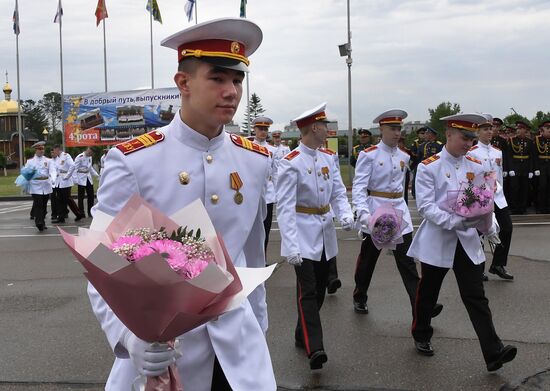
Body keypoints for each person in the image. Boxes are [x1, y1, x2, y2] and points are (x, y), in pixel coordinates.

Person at [87, 18, 276, 390]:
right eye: (218, 78)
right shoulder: (135, 161)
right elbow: (101, 260)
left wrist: (258, 327)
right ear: (183, 83)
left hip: (238, 349)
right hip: (162, 349)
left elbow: (252, 255)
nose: (231, 91)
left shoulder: (254, 160)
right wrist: (128, 339)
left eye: (237, 81)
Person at [408, 113, 517, 372]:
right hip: (438, 240)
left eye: (470, 138)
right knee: (428, 293)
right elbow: (425, 207)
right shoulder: (429, 166)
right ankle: (421, 333)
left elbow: (485, 198)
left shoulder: (477, 165)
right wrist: (453, 222)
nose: (468, 143)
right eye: (463, 137)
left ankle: (493, 352)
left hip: (467, 241)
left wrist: (490, 225)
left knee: (475, 295)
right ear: (448, 134)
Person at [277, 102, 354, 370]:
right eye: (325, 126)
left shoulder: (328, 159)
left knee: (320, 289)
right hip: (302, 231)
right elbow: (285, 207)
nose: (329, 130)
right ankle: (315, 348)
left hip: (324, 231)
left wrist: (345, 213)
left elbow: (338, 192)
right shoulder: (291, 163)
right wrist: (290, 244)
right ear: (314, 128)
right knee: (307, 292)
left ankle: (302, 332)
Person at [352, 109, 442, 318]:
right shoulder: (369, 155)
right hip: (377, 211)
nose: (397, 133)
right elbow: (359, 186)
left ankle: (420, 306)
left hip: (398, 211)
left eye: (399, 128)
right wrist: (363, 213)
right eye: (392, 128)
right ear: (381, 129)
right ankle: (360, 294)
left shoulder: (403, 156)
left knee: (407, 261)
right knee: (368, 260)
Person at [467, 119, 514, 280]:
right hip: (480, 196)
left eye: (490, 128)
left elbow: (499, 175)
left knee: (507, 228)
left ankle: (498, 264)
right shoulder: (472, 152)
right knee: (479, 232)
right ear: (477, 132)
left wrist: (500, 191)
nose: (489, 131)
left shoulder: (497, 152)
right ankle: (478, 268)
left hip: (497, 195)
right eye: (485, 129)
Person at [251, 116, 277, 254]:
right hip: (252, 194)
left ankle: (262, 258)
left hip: (268, 195)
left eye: (265, 129)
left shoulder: (273, 150)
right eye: (260, 129)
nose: (263, 132)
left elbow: (276, 173)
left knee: (265, 229)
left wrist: (279, 193)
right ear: (254, 129)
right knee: (250, 229)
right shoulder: (247, 147)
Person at [24, 141, 56, 231]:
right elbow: (26, 173)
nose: (41, 151)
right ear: (36, 150)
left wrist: (53, 178)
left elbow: (53, 171)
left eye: (42, 149)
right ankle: (39, 222)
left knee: (44, 204)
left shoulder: (48, 160)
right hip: (35, 185)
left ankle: (42, 221)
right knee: (38, 204)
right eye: (39, 149)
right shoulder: (30, 162)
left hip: (45, 185)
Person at [507, 120, 534, 214]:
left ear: (525, 130)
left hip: (525, 168)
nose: (518, 130)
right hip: (515, 167)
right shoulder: (511, 140)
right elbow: (509, 156)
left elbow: (531, 157)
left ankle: (522, 208)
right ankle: (514, 208)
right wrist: (510, 169)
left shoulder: (530, 142)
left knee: (524, 189)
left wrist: (531, 170)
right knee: (514, 188)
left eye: (520, 129)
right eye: (517, 129)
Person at [51, 145, 76, 224]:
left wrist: (67, 176)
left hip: (66, 181)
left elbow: (72, 165)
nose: (53, 152)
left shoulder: (66, 156)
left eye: (54, 150)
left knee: (66, 200)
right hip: (59, 181)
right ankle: (61, 217)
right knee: (60, 200)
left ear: (58, 149)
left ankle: (79, 214)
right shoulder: (58, 158)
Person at [74, 147, 99, 218]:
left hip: (88, 178)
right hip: (81, 178)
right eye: (91, 153)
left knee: (91, 196)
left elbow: (90, 168)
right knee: (81, 197)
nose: (91, 155)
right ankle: (81, 213)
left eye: (92, 154)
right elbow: (75, 168)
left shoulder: (89, 157)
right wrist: (75, 180)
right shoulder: (80, 157)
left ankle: (90, 212)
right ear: (88, 150)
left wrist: (97, 175)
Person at [533, 119, 550, 213]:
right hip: (541, 166)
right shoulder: (537, 139)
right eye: (547, 128)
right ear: (542, 129)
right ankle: (541, 207)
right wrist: (535, 168)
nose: (549, 130)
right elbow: (534, 155)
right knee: (542, 187)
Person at [409, 127, 427, 198]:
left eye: (424, 133)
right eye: (421, 133)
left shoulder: (427, 142)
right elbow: (412, 153)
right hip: (417, 162)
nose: (423, 135)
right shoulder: (416, 142)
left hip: (425, 163)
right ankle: (414, 193)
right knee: (416, 178)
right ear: (418, 134)